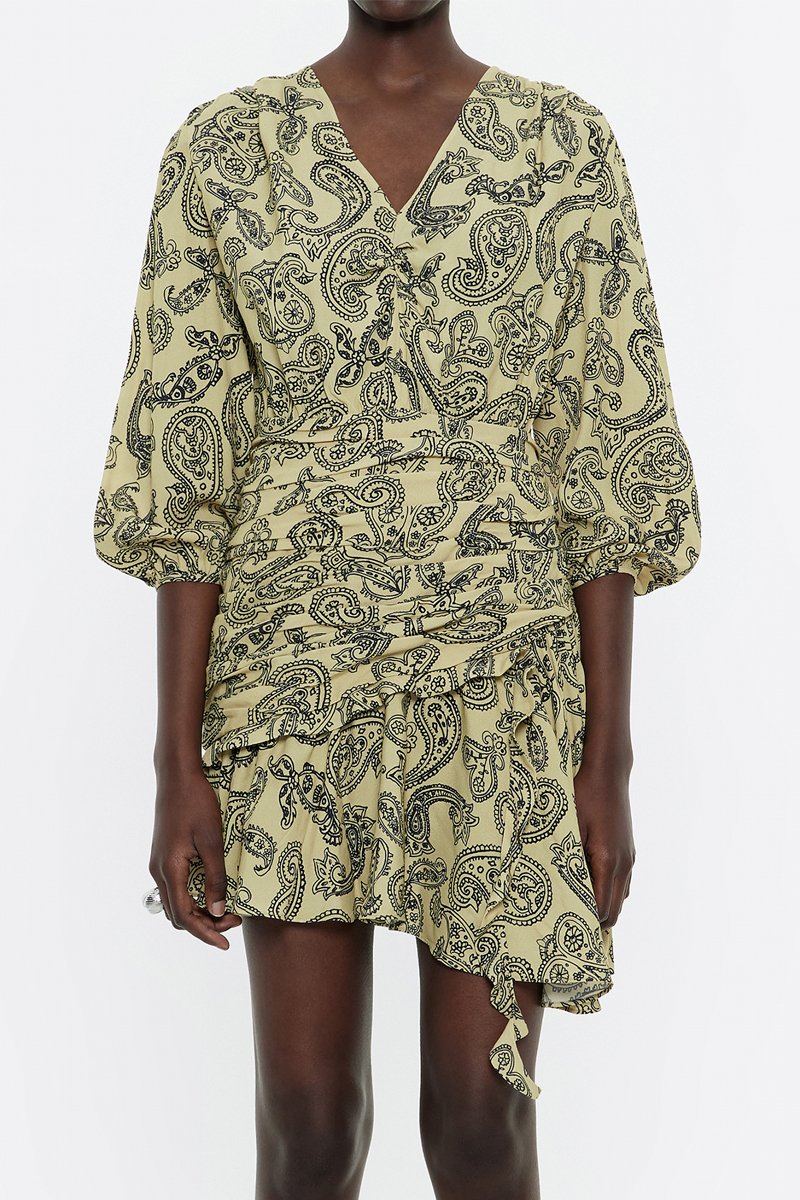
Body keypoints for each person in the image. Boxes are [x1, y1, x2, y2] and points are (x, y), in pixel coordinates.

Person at [92, 1, 702, 1196]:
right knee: (309, 1124)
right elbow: (186, 465)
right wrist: (176, 764)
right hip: (292, 690)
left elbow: (607, 456)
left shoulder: (561, 147)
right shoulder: (226, 150)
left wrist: (606, 763)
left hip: (500, 690)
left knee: (480, 1124)